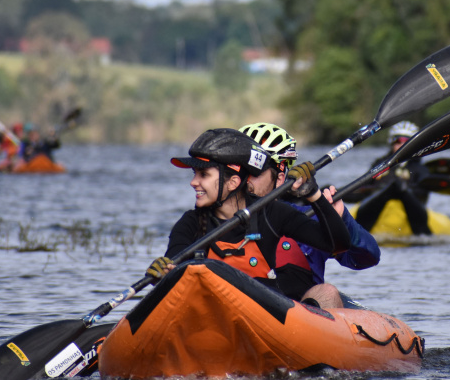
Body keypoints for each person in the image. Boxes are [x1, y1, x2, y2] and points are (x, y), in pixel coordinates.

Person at [145, 128, 351, 302]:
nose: (194, 182)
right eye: (194, 174)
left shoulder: (272, 213)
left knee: (327, 293)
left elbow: (338, 244)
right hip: (215, 311)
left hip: (269, 314)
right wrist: (164, 273)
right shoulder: (191, 222)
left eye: (204, 175)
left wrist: (314, 196)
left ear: (233, 182)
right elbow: (176, 262)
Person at [239, 122, 380, 308]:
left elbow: (366, 257)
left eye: (253, 172)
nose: (244, 179)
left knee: (327, 293)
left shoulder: (306, 219)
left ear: (280, 177)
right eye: (239, 169)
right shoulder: (214, 219)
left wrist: (343, 219)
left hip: (301, 319)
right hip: (240, 310)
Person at [354, 121, 432, 235]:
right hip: (375, 204)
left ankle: (397, 188)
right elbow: (362, 189)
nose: (401, 145)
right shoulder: (380, 164)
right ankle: (359, 233)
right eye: (398, 140)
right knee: (390, 187)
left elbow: (423, 194)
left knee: (398, 186)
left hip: (410, 206)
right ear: (391, 142)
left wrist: (402, 187)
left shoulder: (419, 168)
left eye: (406, 141)